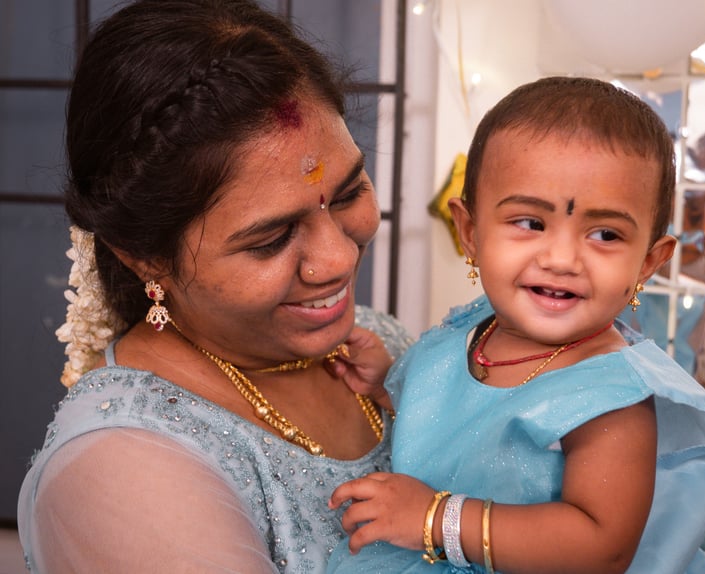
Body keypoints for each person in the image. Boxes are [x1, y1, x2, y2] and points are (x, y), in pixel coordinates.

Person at [16, 1, 413, 572]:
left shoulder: (373, 343)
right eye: (271, 238)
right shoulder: (123, 469)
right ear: (147, 258)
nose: (336, 258)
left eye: (348, 193)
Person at [326, 77, 705, 574]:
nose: (562, 258)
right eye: (530, 223)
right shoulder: (473, 328)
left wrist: (436, 518)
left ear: (649, 263)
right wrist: (388, 383)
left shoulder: (610, 397)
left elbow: (600, 548)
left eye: (605, 234)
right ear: (471, 232)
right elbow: (459, 424)